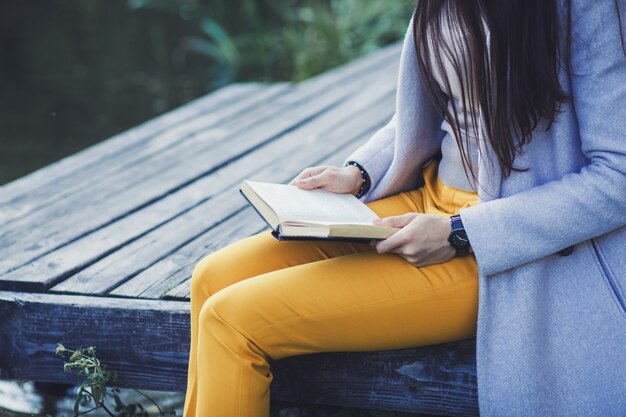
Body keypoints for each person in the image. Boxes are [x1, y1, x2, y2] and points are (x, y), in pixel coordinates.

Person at [183, 0, 626, 415]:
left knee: (232, 320)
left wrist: (461, 232)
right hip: (426, 201)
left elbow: (618, 176)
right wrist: (358, 173)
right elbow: (431, 107)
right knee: (211, 277)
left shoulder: (585, 8)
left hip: (504, 243)